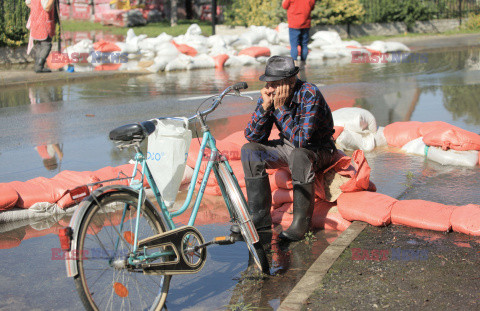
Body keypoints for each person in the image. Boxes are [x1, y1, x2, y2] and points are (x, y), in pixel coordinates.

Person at [240, 56, 336, 241]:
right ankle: (260, 217)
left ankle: (301, 224)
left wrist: (280, 108)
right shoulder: (270, 96)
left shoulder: (309, 93)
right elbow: (252, 137)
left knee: (299, 155)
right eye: (267, 83)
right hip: (287, 146)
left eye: (274, 84)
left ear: (291, 81)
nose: (268, 89)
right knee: (249, 150)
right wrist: (265, 108)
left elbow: (301, 140)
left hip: (318, 149)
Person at [25, 0, 56, 73]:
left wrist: (37, 10)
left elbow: (28, 2)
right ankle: (40, 65)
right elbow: (47, 8)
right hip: (43, 22)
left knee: (40, 44)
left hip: (35, 21)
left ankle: (37, 66)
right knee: (46, 45)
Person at [282, 0, 315, 68]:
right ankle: (303, 63)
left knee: (294, 45)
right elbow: (312, 7)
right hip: (305, 24)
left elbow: (284, 6)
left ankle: (295, 64)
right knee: (304, 45)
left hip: (294, 24)